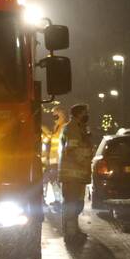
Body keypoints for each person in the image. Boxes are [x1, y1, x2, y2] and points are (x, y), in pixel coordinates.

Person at [58, 103, 92, 246]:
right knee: (71, 205)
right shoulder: (71, 129)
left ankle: (74, 231)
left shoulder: (80, 128)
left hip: (78, 176)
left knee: (77, 205)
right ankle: (70, 234)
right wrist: (85, 156)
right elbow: (71, 150)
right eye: (85, 112)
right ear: (78, 114)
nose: (87, 115)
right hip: (72, 175)